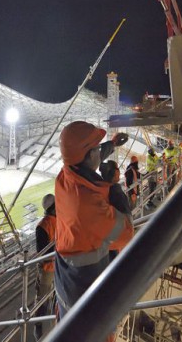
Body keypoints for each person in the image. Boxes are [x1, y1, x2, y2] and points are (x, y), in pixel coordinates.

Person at [55, 121, 134, 341]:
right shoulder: (88, 205)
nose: (101, 152)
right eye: (98, 149)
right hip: (86, 285)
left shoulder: (65, 176)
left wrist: (112, 144)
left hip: (66, 279)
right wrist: (114, 186)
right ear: (90, 156)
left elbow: (86, 159)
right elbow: (127, 233)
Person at [34, 193, 56, 340]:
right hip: (58, 266)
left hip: (48, 269)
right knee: (50, 297)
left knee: (42, 299)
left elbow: (42, 253)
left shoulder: (42, 226)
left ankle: (39, 328)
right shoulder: (59, 221)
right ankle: (42, 326)